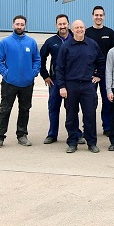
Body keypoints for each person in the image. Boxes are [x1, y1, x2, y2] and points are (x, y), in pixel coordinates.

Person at [56, 19, 105, 153]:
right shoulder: (66, 47)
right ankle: (72, 142)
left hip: (88, 86)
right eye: (77, 27)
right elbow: (59, 68)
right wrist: (61, 86)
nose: (79, 30)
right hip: (70, 86)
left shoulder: (92, 44)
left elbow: (101, 61)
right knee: (71, 116)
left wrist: (99, 75)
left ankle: (92, 143)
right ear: (72, 30)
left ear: (84, 28)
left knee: (89, 115)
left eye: (81, 27)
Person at [0, 15, 41, 149]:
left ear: (25, 26)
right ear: (13, 25)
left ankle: (22, 135)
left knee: (25, 109)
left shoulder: (31, 42)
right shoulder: (5, 42)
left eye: (22, 24)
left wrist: (33, 73)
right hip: (9, 83)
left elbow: (37, 59)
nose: (19, 26)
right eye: (17, 24)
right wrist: (6, 74)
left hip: (27, 83)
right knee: (5, 110)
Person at [39, 14, 70, 144]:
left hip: (71, 80)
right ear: (56, 25)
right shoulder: (51, 41)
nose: (62, 26)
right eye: (60, 24)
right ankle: (52, 134)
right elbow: (40, 58)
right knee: (53, 108)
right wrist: (45, 75)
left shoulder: (76, 38)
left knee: (72, 108)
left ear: (68, 24)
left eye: (64, 24)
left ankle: (75, 133)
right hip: (55, 81)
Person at [85, 5, 114, 136]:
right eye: (96, 15)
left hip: (106, 73)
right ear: (92, 16)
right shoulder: (87, 32)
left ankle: (107, 126)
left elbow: (113, 54)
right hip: (90, 74)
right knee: (90, 102)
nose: (98, 17)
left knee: (108, 100)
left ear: (104, 16)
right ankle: (88, 127)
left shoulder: (109, 33)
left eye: (101, 15)